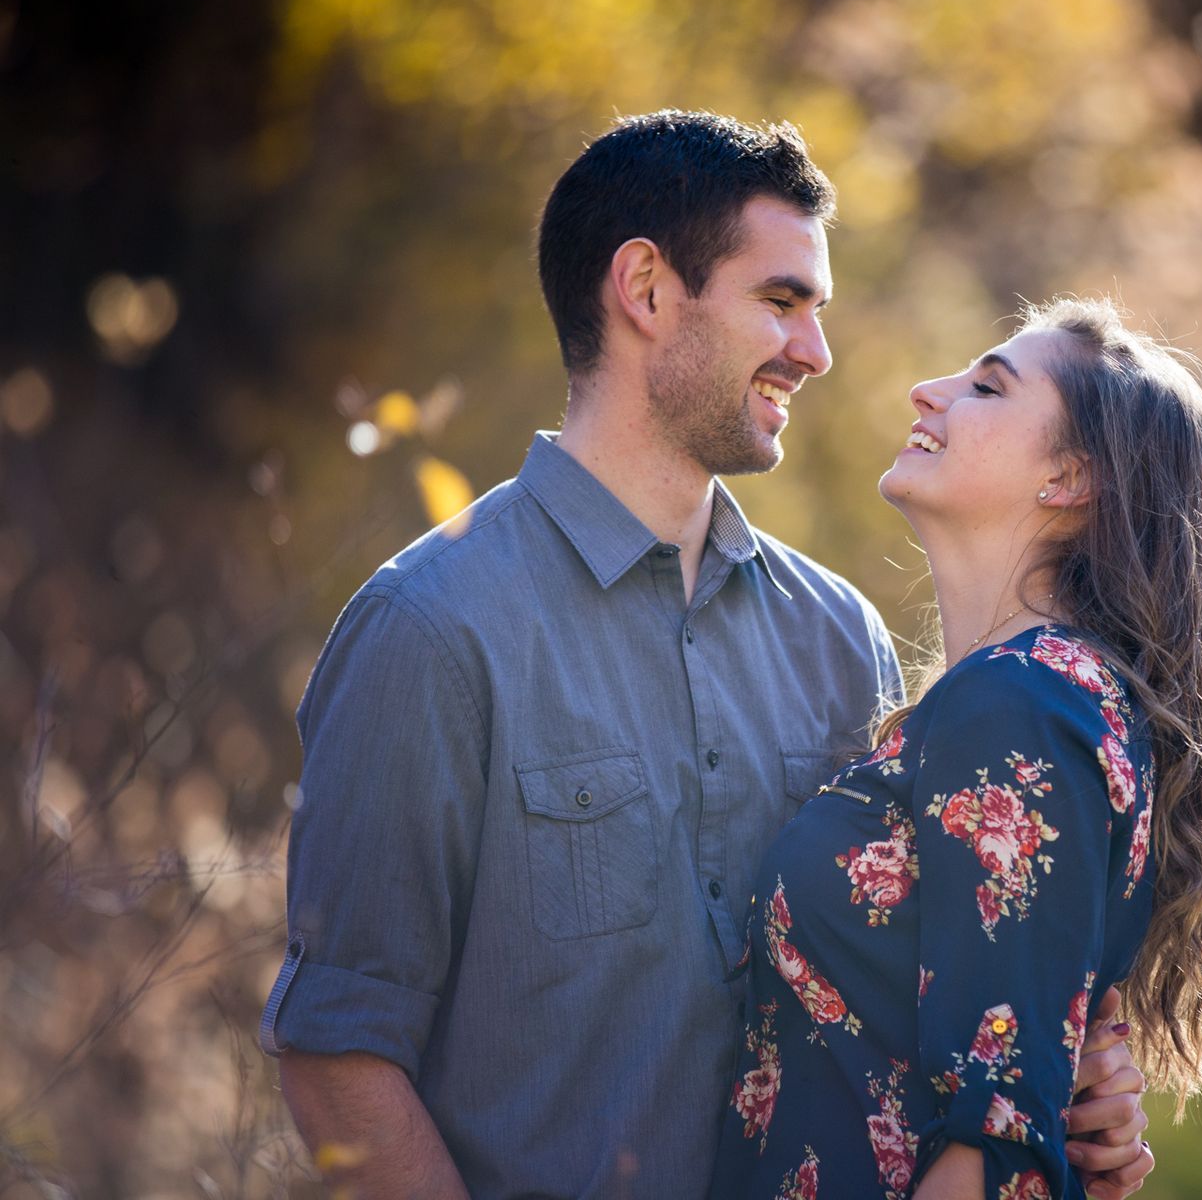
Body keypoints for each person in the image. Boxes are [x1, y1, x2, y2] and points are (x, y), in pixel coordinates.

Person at [260, 111, 1153, 1198]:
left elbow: (927, 985)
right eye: (781, 303)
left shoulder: (840, 638)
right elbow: (336, 1050)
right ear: (643, 290)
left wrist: (1065, 1089)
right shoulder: (431, 629)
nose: (817, 353)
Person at [707, 296, 1202, 1200]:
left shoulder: (1015, 704)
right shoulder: (1057, 699)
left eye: (985, 386)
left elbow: (991, 1142)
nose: (926, 392)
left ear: (1070, 475)